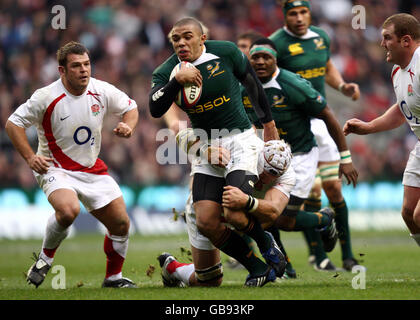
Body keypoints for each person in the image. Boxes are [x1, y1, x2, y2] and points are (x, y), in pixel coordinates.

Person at [149, 17, 283, 287]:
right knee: (207, 222)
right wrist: (177, 81)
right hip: (206, 147)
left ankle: (265, 241)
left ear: (202, 38)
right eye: (176, 39)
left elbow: (252, 84)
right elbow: (155, 108)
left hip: (240, 139)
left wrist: (268, 124)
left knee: (234, 209)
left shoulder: (226, 52)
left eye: (187, 36)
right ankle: (256, 267)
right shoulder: (166, 71)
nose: (181, 43)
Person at [5, 41, 139, 288]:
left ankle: (113, 278)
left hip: (91, 168)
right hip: (55, 168)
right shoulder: (45, 97)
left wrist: (128, 125)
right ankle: (45, 259)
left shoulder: (101, 90)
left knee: (121, 223)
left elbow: (131, 107)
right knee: (68, 211)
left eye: (87, 64)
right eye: (76, 66)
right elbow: (13, 124)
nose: (84, 70)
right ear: (62, 71)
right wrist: (30, 157)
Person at [244, 37, 358, 271]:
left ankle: (324, 219)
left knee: (282, 219)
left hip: (300, 157)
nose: (261, 61)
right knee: (260, 213)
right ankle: (284, 267)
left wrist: (345, 158)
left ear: (276, 60)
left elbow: (327, 115)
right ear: (249, 59)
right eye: (256, 57)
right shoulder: (241, 86)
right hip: (263, 157)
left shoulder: (293, 85)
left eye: (267, 57)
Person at [269, 0, 362, 271]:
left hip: (321, 121)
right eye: (293, 13)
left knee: (333, 188)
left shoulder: (321, 37)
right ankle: (319, 255)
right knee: (311, 190)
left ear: (310, 14)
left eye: (303, 12)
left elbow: (327, 66)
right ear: (284, 16)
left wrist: (343, 85)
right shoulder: (276, 43)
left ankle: (347, 255)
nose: (299, 18)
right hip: (294, 125)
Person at [158, 134, 300, 287]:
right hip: (210, 208)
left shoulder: (287, 174)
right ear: (259, 156)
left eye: (273, 174)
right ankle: (172, 268)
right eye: (264, 170)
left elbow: (274, 211)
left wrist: (247, 201)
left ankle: (258, 265)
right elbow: (186, 139)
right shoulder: (242, 152)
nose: (265, 178)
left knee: (243, 212)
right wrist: (205, 152)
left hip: (243, 212)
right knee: (209, 280)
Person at [344, 13, 420, 248]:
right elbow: (402, 109)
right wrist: (368, 127)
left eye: (387, 38)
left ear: (406, 41)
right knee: (408, 213)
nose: (381, 44)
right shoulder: (398, 72)